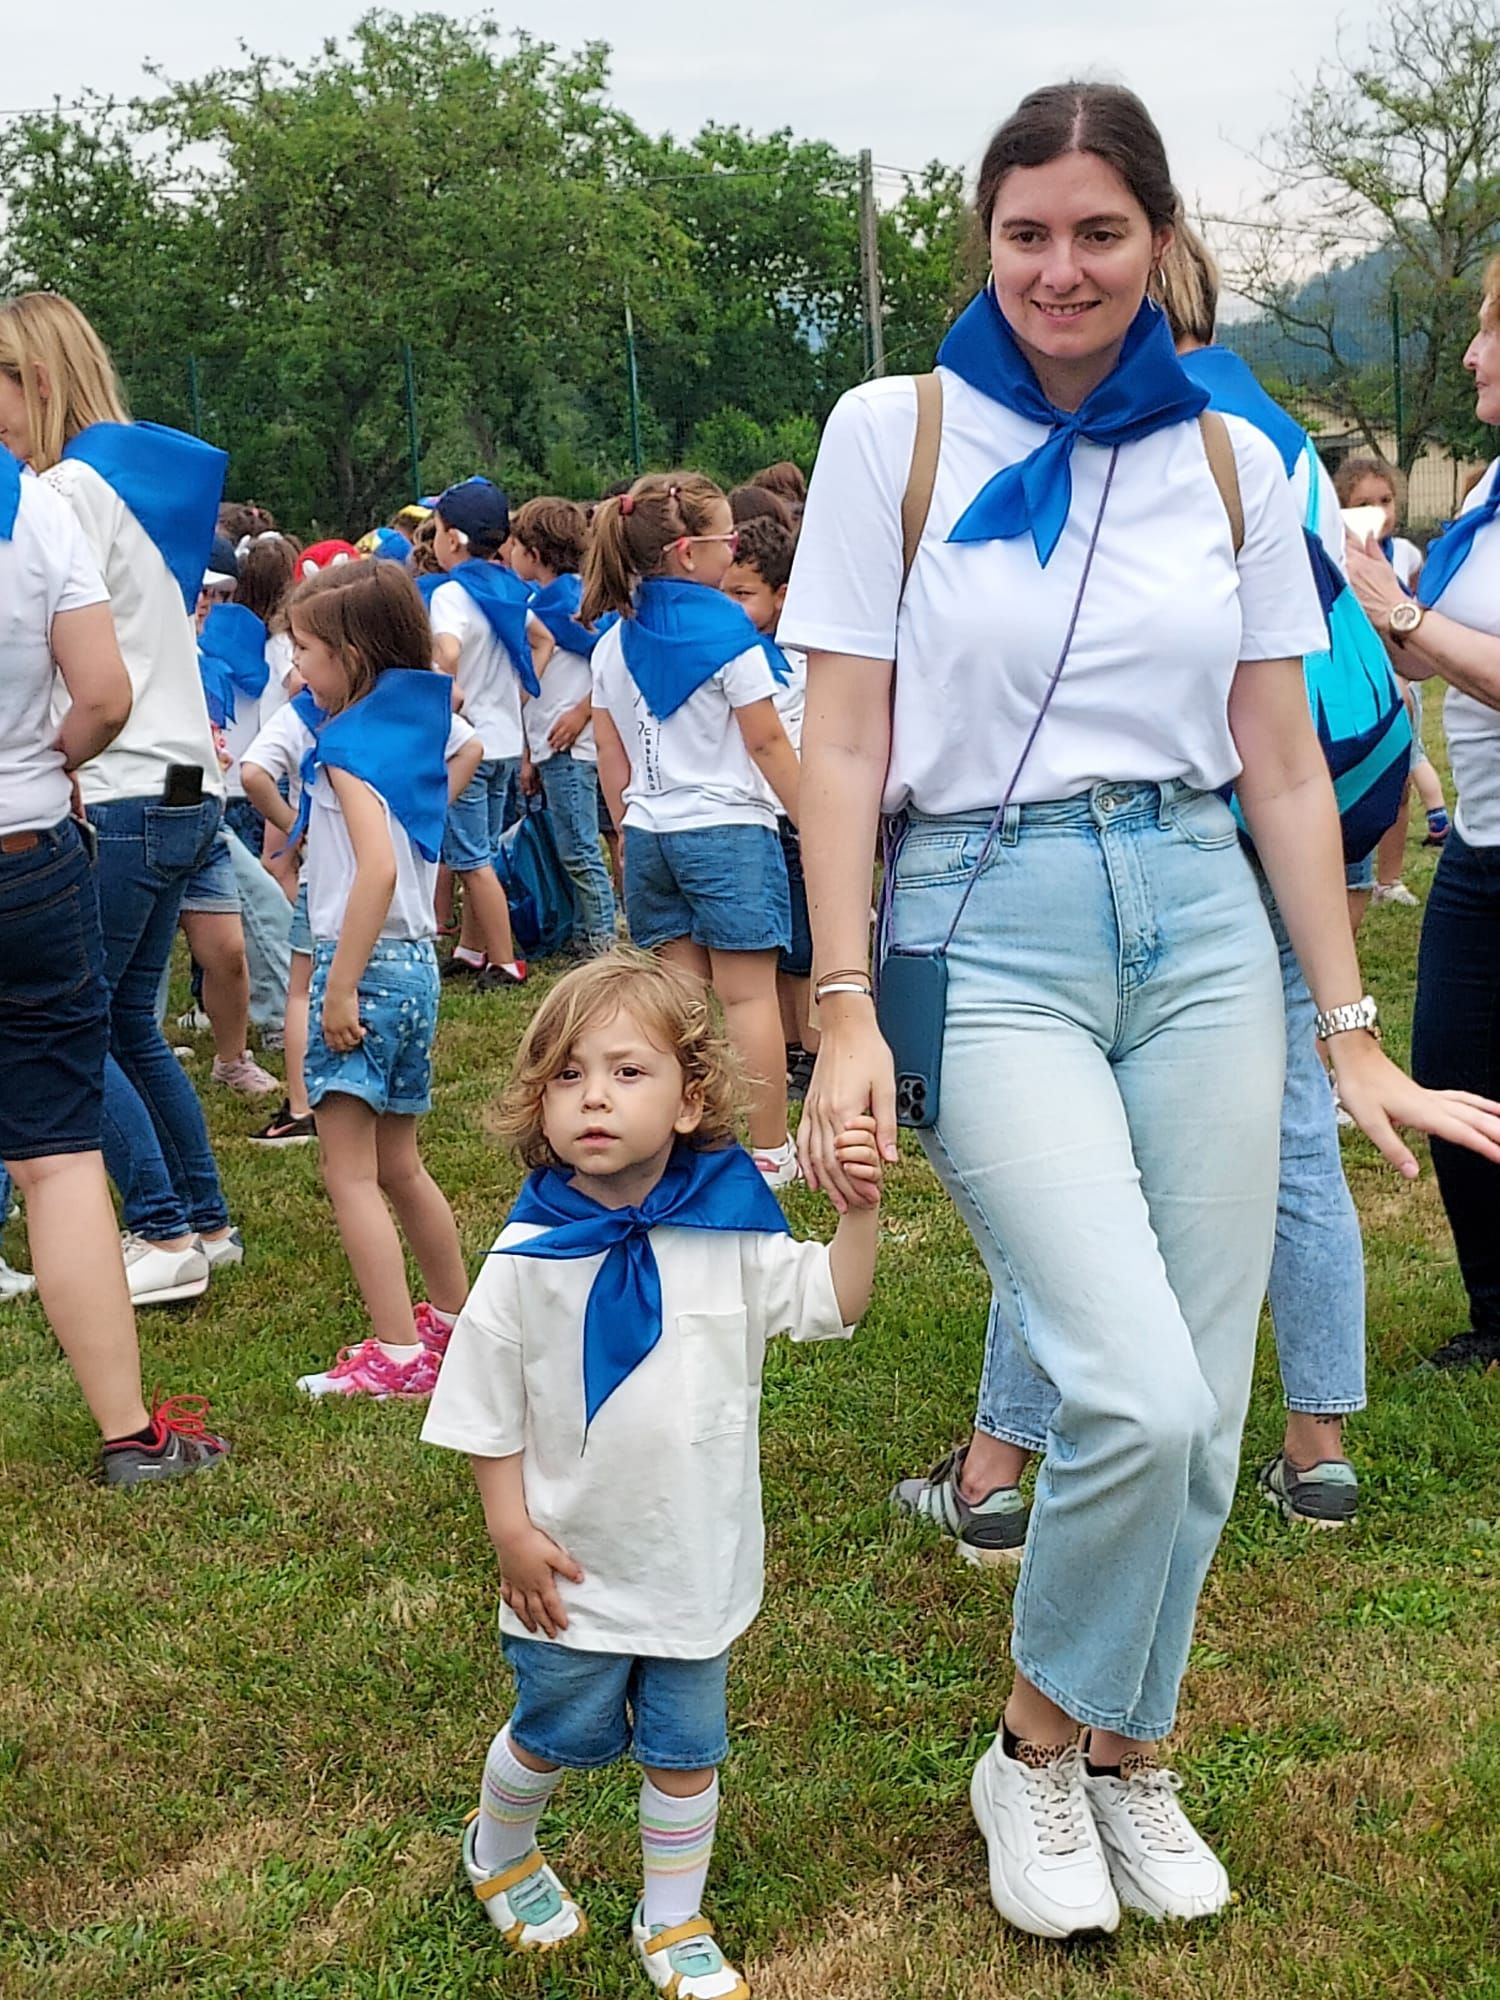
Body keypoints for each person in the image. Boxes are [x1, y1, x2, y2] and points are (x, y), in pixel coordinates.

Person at [781, 81, 1500, 1938]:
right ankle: (1038, 1757)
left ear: (1164, 244)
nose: (1062, 267)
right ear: (987, 242)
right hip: (982, 914)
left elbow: (1275, 752)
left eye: (1102, 231)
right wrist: (842, 1004)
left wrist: (1347, 1023)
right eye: (1029, 232)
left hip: (1198, 915)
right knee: (1135, 1386)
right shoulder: (895, 434)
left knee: (1194, 1402)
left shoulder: (1239, 465)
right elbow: (844, 736)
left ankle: (1108, 1751)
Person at [420, 951, 881, 1993]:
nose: (594, 1096)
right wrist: (510, 1530)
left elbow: (831, 1304)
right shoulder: (529, 1252)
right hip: (574, 1569)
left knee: (687, 1750)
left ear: (691, 1098)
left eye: (628, 1072)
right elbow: (486, 1406)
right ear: (540, 1104)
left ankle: (672, 1916)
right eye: (569, 1075)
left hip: (694, 1561)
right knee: (550, 1732)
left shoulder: (729, 1228)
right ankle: (497, 1848)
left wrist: (857, 1214)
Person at [0, 290, 242, 1309]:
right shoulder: (145, 485)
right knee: (130, 1021)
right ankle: (201, 1215)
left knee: (77, 1032)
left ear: (38, 382)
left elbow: (75, 669)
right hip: (189, 782)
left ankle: (158, 1225)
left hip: (119, 783)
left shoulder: (58, 494)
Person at [0, 445, 228, 1483]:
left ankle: (180, 1224)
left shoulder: (65, 495)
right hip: (58, 827)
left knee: (105, 1047)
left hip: (102, 808)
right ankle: (131, 1427)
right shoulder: (43, 506)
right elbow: (103, 690)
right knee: (64, 1134)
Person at [1345, 255, 1500, 1371]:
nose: (1470, 353)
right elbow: (1433, 641)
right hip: (1482, 855)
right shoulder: (1488, 488)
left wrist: (1395, 605)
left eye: (1489, 332)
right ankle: (1497, 1316)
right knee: (1450, 1067)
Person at [285, 562, 482, 1399]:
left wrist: (337, 990)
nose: (297, 669)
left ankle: (397, 1355)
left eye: (306, 651)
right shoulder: (416, 726)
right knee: (401, 1162)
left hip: (359, 965)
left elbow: (369, 873)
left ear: (352, 654)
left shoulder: (345, 746)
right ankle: (455, 1322)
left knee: (349, 1171)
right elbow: (461, 761)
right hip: (415, 965)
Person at [586, 473, 803, 1188]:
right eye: (725, 541)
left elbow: (610, 750)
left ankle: (690, 1136)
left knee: (678, 1007)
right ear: (687, 553)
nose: (733, 550)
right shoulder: (730, 636)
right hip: (730, 833)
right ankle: (770, 1149)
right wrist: (819, 824)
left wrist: (627, 831)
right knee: (747, 999)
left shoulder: (611, 643)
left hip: (649, 834)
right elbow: (769, 743)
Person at [428, 478, 551, 992]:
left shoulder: (452, 596)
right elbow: (540, 641)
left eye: (434, 529)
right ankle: (473, 950)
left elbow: (448, 656)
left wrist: (446, 696)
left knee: (472, 860)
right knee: (480, 850)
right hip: (503, 740)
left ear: (452, 538)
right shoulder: (507, 590)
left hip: (468, 746)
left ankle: (504, 962)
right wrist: (519, 694)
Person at [721, 515, 820, 1101]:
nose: (731, 606)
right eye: (725, 592)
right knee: (776, 945)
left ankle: (813, 1046)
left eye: (744, 594)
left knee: (806, 945)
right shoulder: (733, 654)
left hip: (797, 812)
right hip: (758, 816)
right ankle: (785, 1046)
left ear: (781, 596)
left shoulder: (801, 656)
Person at [1335, 455, 1452, 905]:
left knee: (1399, 781)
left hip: (1407, 685)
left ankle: (1390, 877)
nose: (1378, 512)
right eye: (1363, 503)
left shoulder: (1405, 554)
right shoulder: (1335, 555)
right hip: (1360, 687)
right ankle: (1349, 873)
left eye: (1385, 500)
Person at [508, 496, 618, 958]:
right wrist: (531, 754)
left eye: (516, 545)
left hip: (574, 747)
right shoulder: (545, 601)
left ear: (535, 552)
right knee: (573, 844)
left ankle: (603, 944)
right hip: (552, 746)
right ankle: (586, 932)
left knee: (579, 849)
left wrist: (583, 711)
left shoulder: (567, 605)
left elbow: (612, 664)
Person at [240, 686, 323, 1146]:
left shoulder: (304, 713)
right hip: (390, 882)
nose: (297, 665)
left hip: (324, 877)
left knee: (303, 990)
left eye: (306, 649)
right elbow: (467, 745)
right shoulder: (401, 699)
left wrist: (297, 825)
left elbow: (253, 774)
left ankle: (301, 1105)